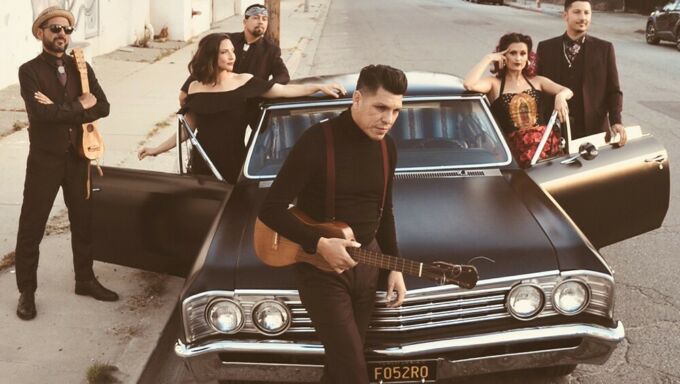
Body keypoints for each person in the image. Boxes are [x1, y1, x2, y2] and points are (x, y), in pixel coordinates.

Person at [258, 64, 408, 384]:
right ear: (356, 99)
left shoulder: (387, 148)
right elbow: (270, 210)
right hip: (320, 268)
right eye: (380, 107)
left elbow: (386, 211)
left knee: (343, 365)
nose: (388, 119)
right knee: (353, 370)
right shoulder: (317, 141)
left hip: (366, 265)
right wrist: (320, 243)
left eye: (396, 111)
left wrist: (393, 266)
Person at [15, 6, 118, 321]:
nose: (62, 35)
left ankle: (84, 280)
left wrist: (67, 109)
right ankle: (27, 293)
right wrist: (78, 105)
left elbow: (103, 105)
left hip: (78, 158)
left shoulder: (81, 67)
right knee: (32, 227)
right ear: (41, 32)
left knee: (83, 222)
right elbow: (42, 116)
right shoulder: (29, 71)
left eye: (67, 30)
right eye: (55, 29)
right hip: (44, 161)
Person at [137, 33, 344, 184]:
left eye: (232, 51)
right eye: (224, 52)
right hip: (202, 164)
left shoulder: (243, 81)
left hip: (234, 166)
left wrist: (318, 87)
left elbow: (282, 91)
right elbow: (187, 128)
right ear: (211, 56)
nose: (231, 56)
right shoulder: (195, 86)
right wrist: (156, 149)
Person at [464, 32, 573, 166]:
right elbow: (469, 84)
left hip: (546, 150)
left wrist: (560, 96)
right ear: (503, 56)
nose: (518, 58)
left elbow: (567, 91)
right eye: (513, 53)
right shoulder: (494, 83)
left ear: (528, 57)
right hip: (513, 154)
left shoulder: (537, 81)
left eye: (523, 53)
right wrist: (488, 58)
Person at [537, 0, 627, 146]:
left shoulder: (604, 49)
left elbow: (614, 91)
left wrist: (616, 121)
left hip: (594, 131)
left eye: (587, 12)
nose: (583, 17)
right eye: (577, 12)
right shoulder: (546, 48)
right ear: (565, 15)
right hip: (554, 130)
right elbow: (537, 89)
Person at [178, 3, 289, 107]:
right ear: (245, 22)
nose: (260, 22)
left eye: (264, 19)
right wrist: (185, 88)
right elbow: (205, 62)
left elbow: (283, 75)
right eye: (255, 18)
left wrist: (263, 89)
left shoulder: (271, 49)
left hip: (251, 103)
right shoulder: (227, 41)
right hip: (222, 96)